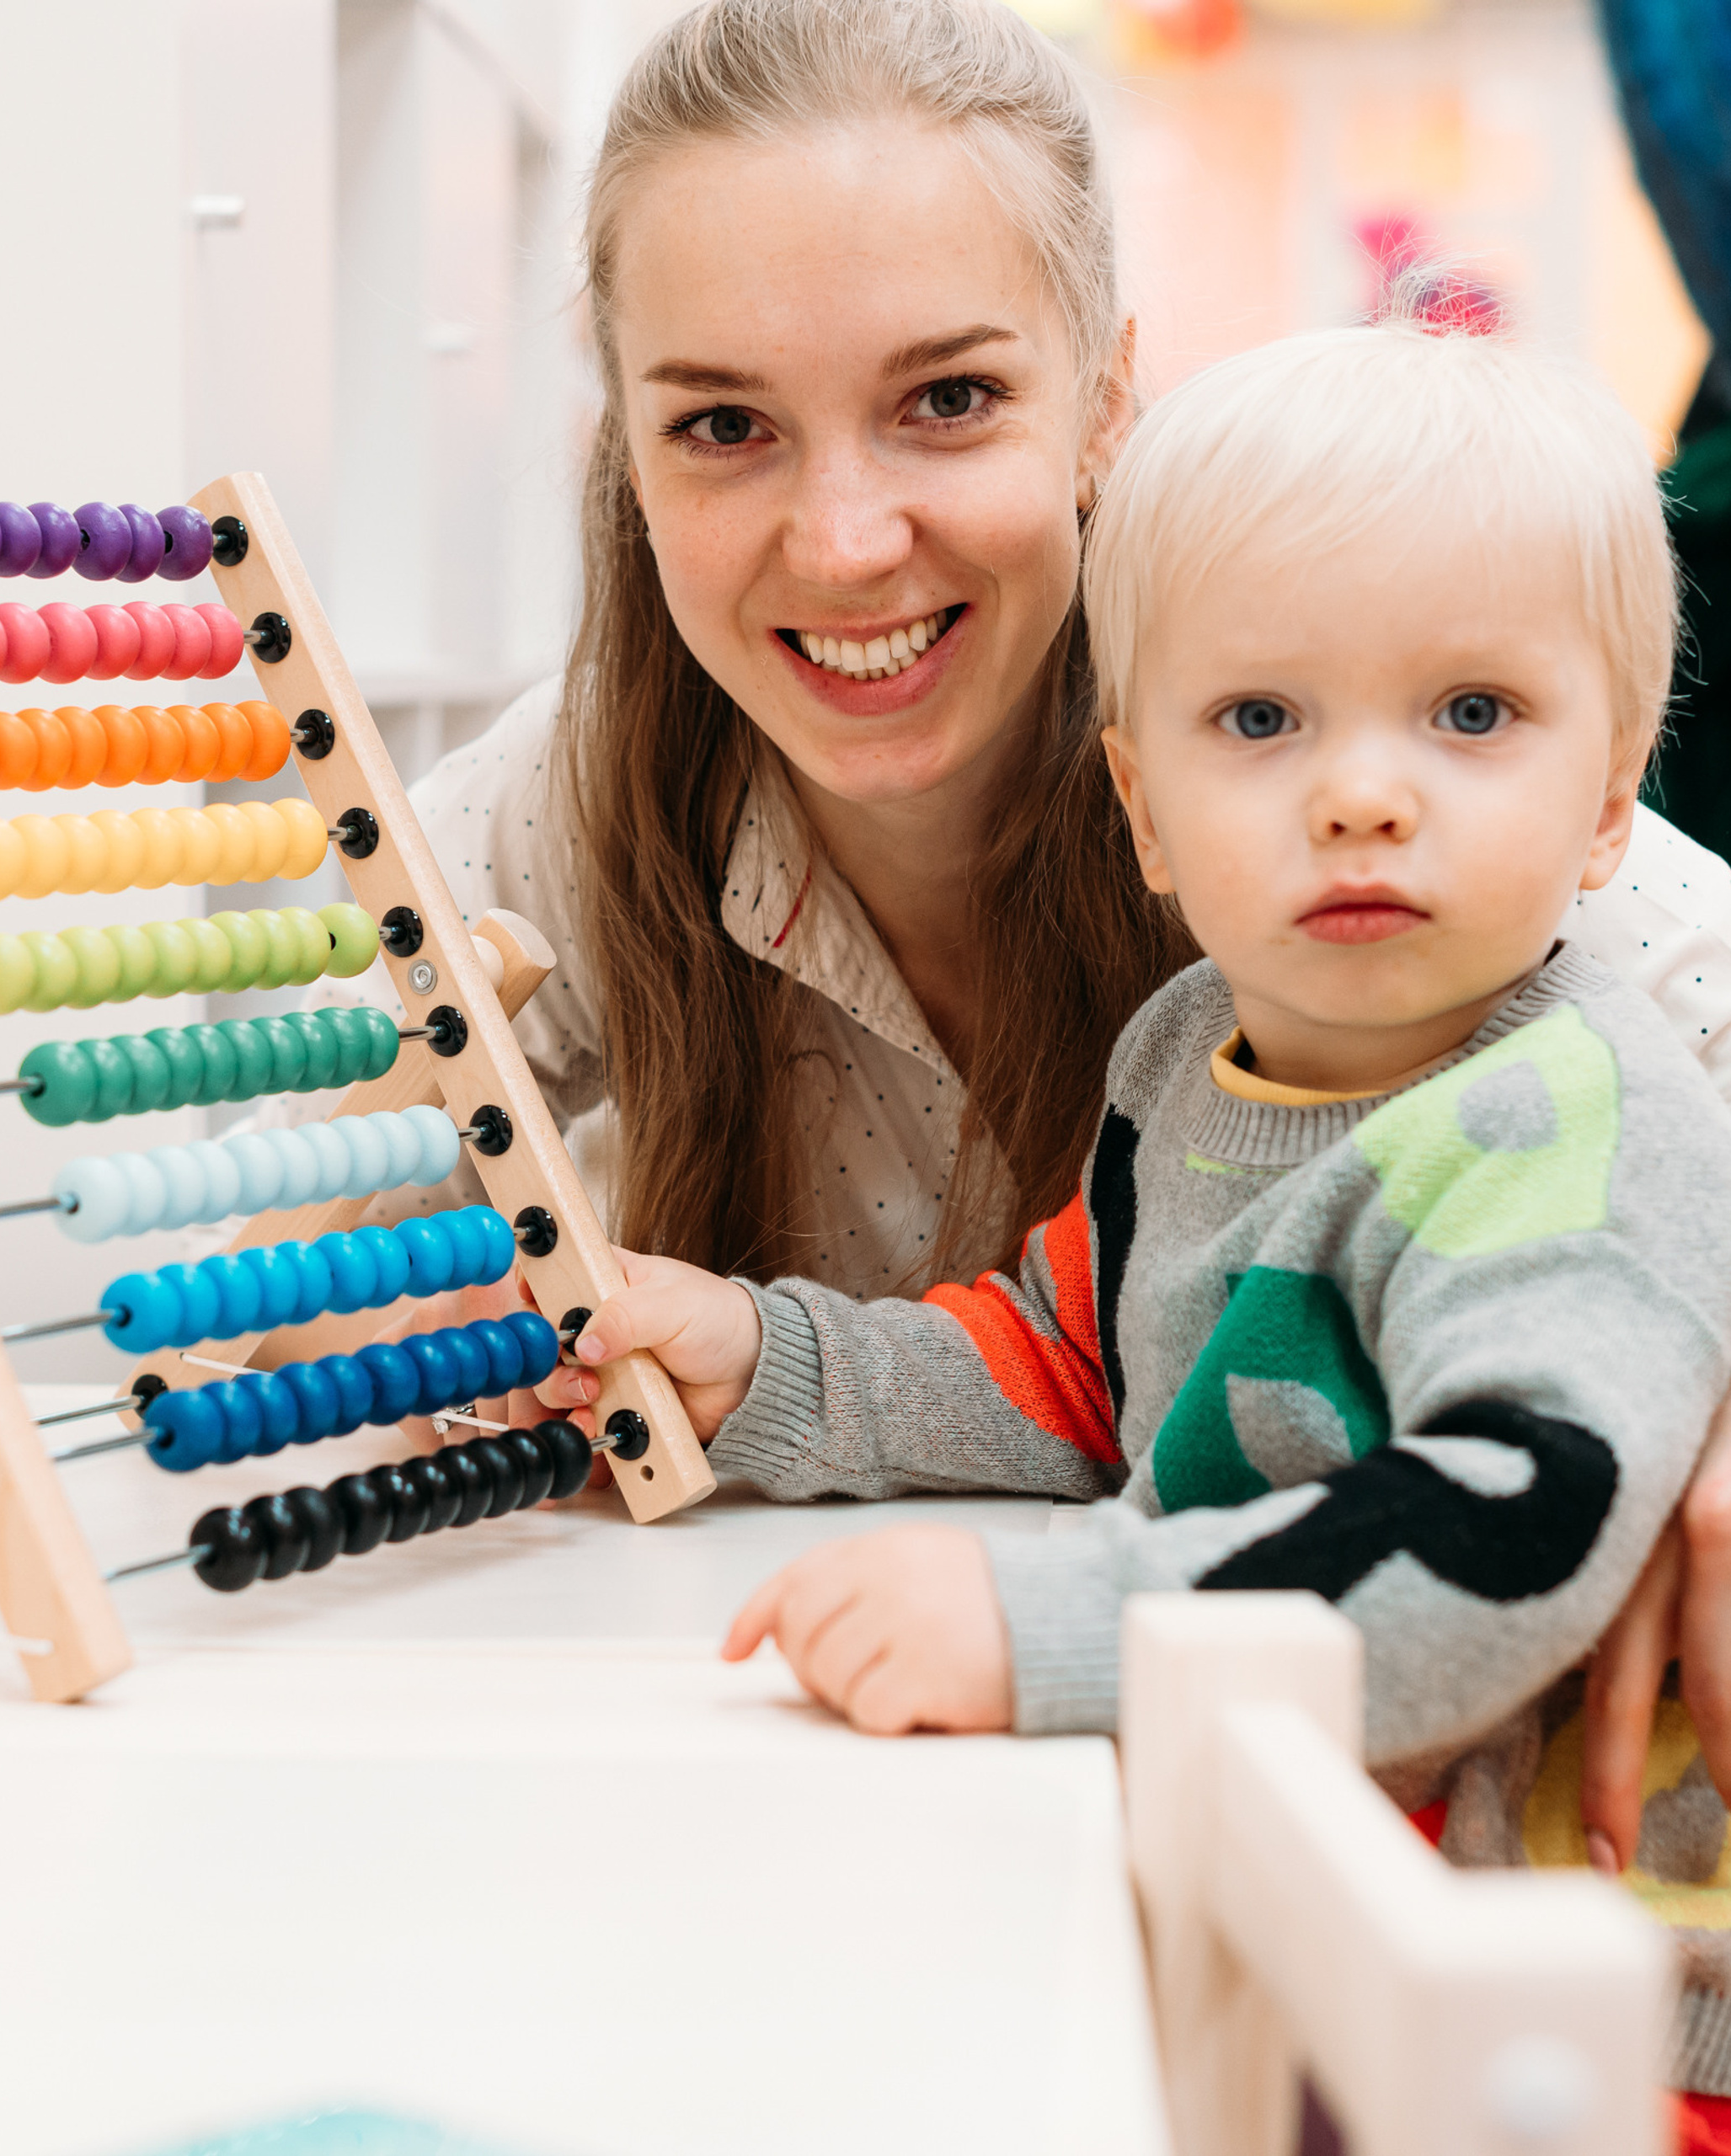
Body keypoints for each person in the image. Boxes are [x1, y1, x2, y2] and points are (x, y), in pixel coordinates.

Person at [276, 0, 1731, 1875]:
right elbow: (1057, 1359)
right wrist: (442, 1325)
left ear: (1103, 403)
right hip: (879, 1827)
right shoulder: (543, 822)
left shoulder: (1458, 906)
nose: (847, 535)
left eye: (945, 399)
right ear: (620, 448)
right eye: (723, 424)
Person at [536, 323, 1731, 2121]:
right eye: (1258, 718)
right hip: (1292, 1897)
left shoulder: (1564, 1127)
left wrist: (1047, 1623)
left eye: (1469, 713)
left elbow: (1492, 1537)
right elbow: (1064, 1355)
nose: (1359, 789)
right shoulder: (1189, 1057)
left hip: (1565, 2006)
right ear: (1140, 803)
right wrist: (764, 1358)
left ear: (1607, 801)